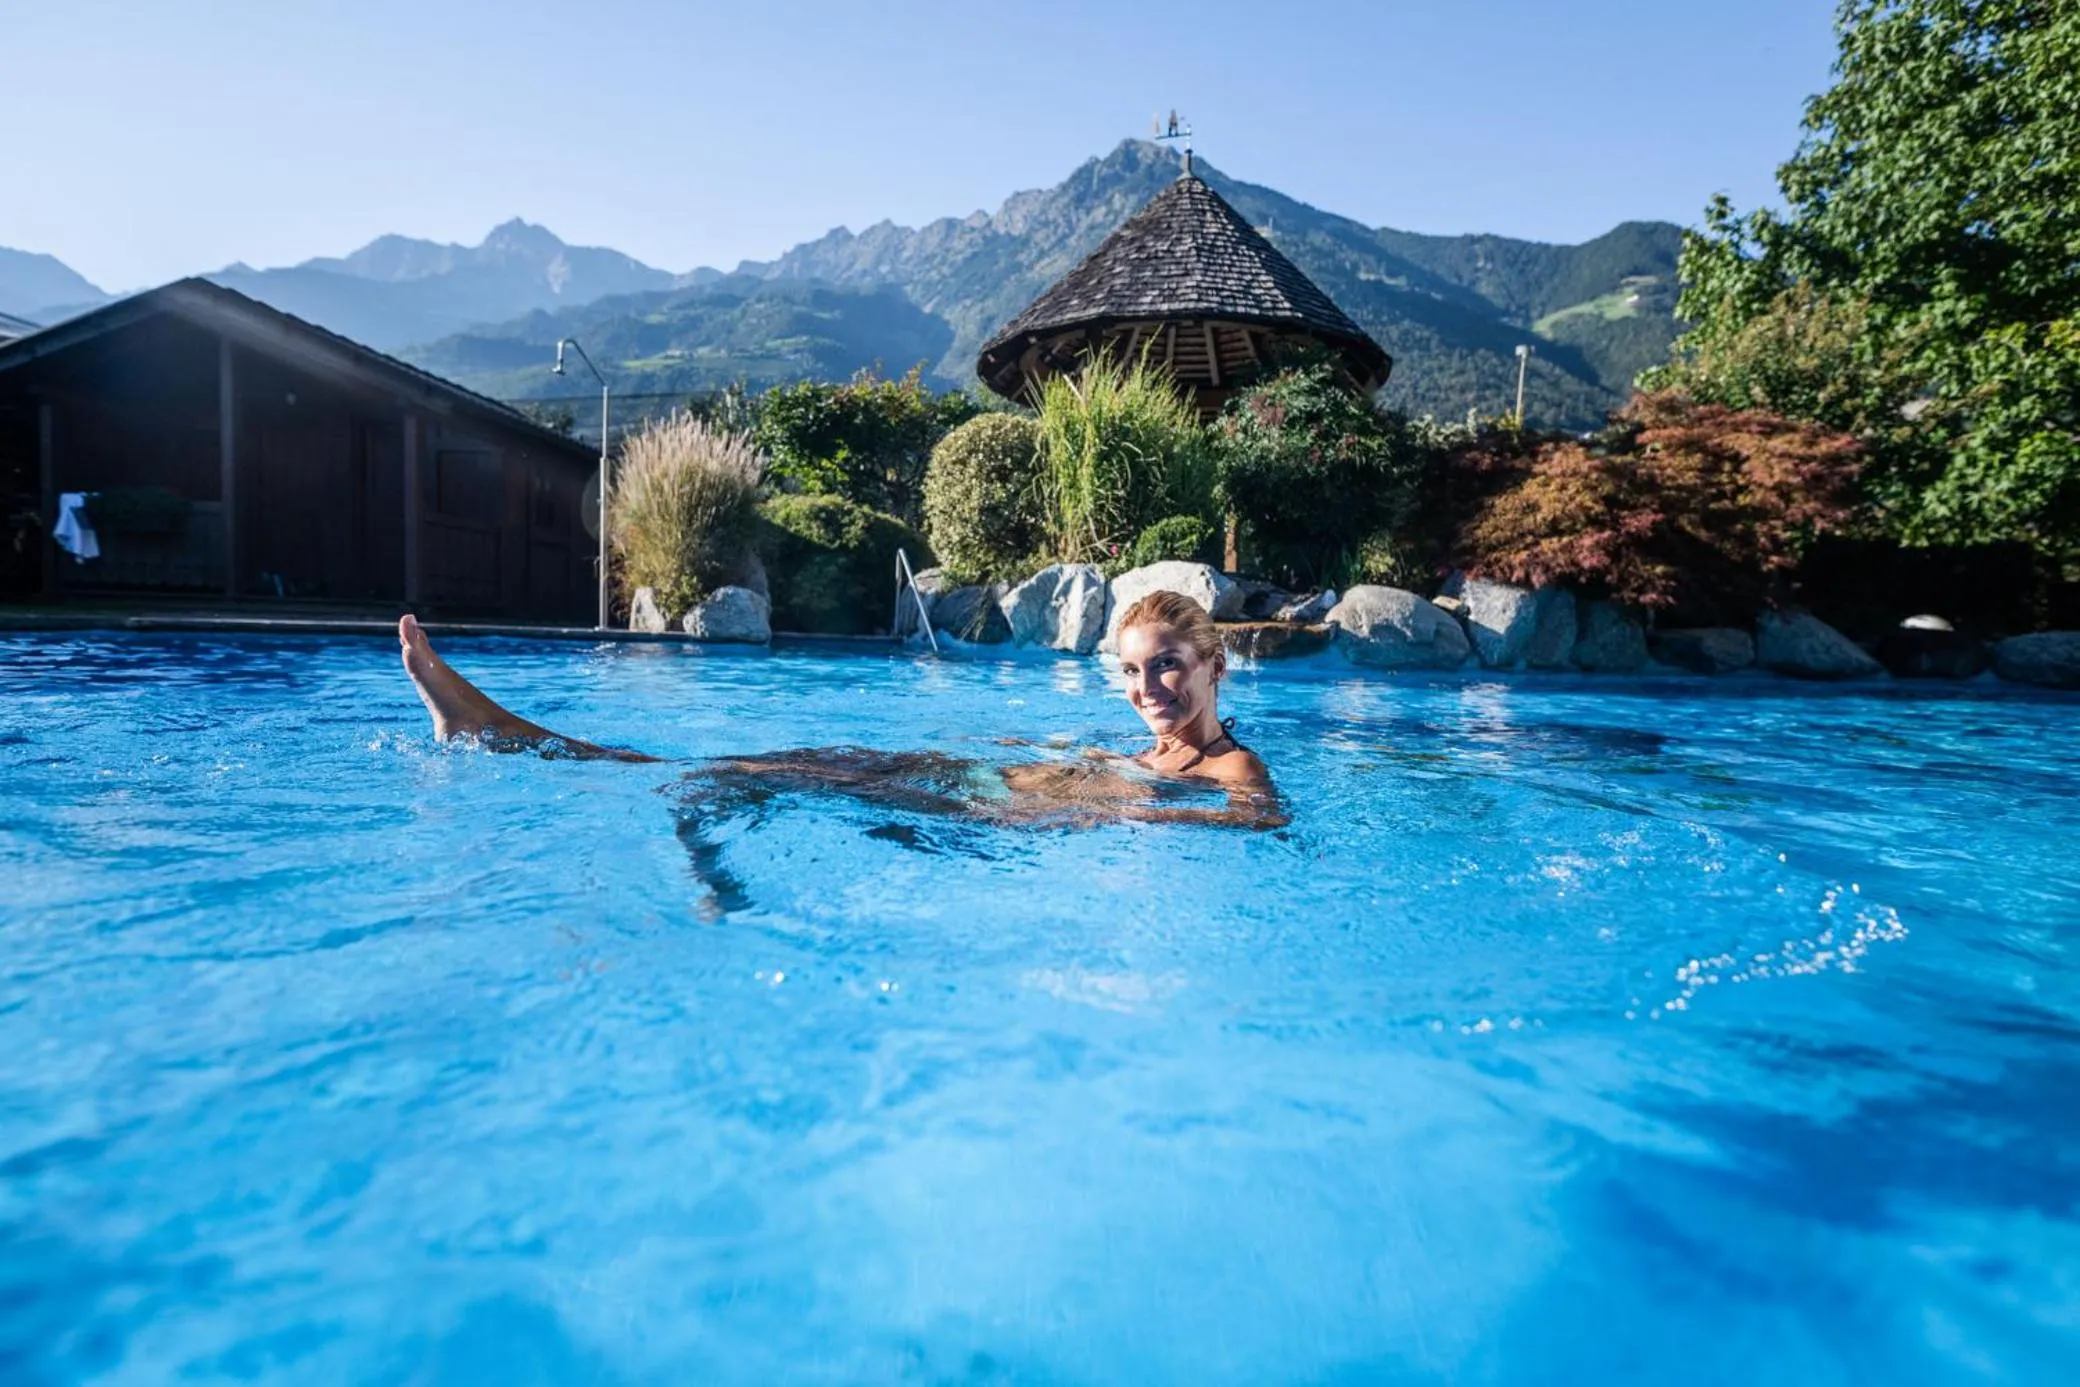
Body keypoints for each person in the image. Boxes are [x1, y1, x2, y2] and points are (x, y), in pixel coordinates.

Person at [396, 588, 1283, 831]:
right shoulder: (1163, 753)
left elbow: (1257, 821)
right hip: (982, 785)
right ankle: (508, 733)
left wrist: (1126, 809)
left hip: (991, 806)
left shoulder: (1229, 765)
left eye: (1167, 666)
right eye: (1132, 673)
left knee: (768, 778)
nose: (1148, 689)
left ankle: (511, 735)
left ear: (1213, 666)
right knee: (785, 763)